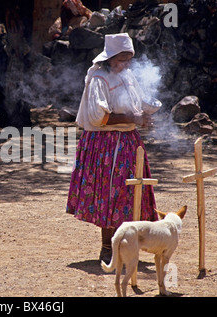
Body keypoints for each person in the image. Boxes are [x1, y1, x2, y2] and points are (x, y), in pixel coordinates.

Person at [66, 33, 161, 264]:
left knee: (129, 193)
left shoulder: (127, 76)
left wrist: (146, 113)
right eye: (121, 60)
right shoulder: (99, 79)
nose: (126, 65)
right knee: (110, 193)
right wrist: (134, 118)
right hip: (105, 146)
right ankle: (107, 248)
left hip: (128, 142)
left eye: (129, 59)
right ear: (110, 58)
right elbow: (100, 118)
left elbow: (137, 103)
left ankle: (128, 244)